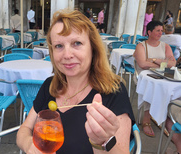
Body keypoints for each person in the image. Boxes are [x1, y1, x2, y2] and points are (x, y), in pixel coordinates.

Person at [16, 10, 135, 154]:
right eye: (59, 46)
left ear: (93, 48)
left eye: (77, 43)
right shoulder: (50, 85)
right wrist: (29, 145)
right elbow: (24, 129)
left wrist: (102, 142)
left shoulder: (113, 91)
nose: (67, 55)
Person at [133, 21, 176, 137]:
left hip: (162, 76)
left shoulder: (165, 46)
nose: (161, 33)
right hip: (144, 77)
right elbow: (142, 64)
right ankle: (146, 120)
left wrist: (154, 60)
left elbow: (173, 63)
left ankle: (162, 117)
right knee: (153, 89)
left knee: (168, 89)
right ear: (149, 32)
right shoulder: (141, 46)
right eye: (158, 30)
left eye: (162, 31)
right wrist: (163, 64)